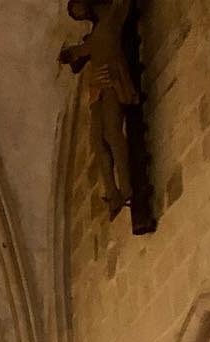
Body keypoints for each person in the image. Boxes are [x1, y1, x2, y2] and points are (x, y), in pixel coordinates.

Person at [59, 0, 138, 217]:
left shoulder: (112, 17)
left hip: (112, 79)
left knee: (112, 132)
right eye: (76, 13)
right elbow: (79, 55)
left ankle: (127, 188)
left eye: (79, 8)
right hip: (97, 88)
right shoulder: (92, 38)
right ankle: (112, 193)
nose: (80, 13)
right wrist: (68, 55)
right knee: (97, 140)